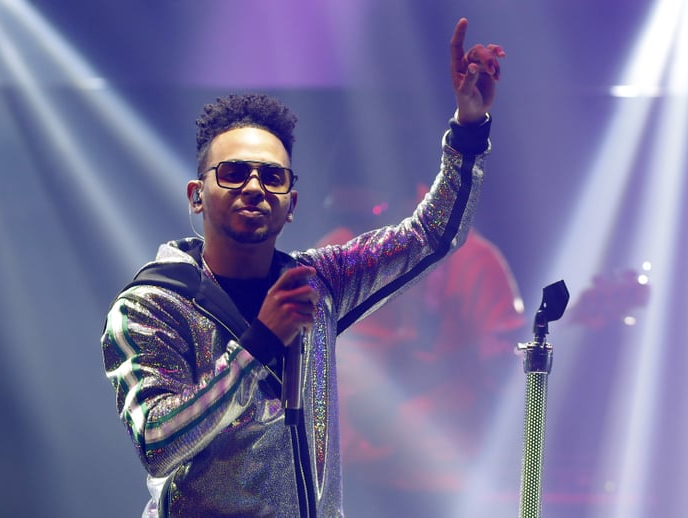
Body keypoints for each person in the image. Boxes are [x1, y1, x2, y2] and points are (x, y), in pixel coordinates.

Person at [101, 17, 505, 518]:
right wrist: (257, 345)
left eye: (272, 177)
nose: (254, 187)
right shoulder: (151, 304)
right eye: (232, 173)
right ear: (197, 195)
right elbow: (158, 444)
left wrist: (468, 130)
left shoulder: (319, 281)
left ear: (292, 203)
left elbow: (429, 235)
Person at [316, 184, 526, 517]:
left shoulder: (474, 260)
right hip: (352, 477)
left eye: (367, 214)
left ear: (411, 198)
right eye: (348, 217)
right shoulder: (336, 250)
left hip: (441, 480)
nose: (352, 232)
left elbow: (507, 371)